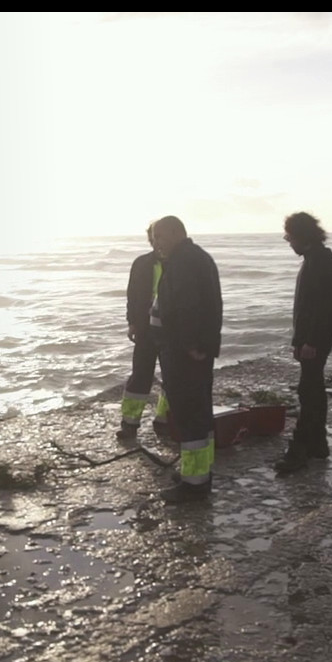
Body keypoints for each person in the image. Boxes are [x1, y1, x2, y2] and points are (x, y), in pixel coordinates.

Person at [150, 215, 222, 502]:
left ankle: (194, 484)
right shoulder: (193, 257)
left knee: (190, 414)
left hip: (184, 353)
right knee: (199, 413)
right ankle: (200, 472)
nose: (156, 244)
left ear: (175, 232)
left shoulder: (185, 261)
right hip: (189, 350)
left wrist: (192, 345)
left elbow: (189, 307)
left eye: (159, 237)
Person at [275, 211, 332, 474]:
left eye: (289, 235)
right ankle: (318, 445)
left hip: (315, 340)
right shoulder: (319, 259)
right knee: (313, 389)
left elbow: (322, 308)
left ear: (301, 236)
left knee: (309, 392)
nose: (287, 240)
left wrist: (311, 342)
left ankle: (300, 449)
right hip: (314, 338)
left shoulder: (319, 263)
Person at [117, 224, 170, 440]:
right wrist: (132, 322)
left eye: (160, 237)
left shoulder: (178, 263)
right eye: (153, 237)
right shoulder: (141, 263)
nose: (156, 241)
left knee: (172, 377)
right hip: (146, 329)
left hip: (170, 330)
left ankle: (165, 420)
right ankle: (129, 423)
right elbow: (132, 296)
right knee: (140, 375)